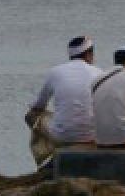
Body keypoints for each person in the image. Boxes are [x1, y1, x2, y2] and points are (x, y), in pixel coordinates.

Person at [25, 36, 103, 165]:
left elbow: (38, 106)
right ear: (89, 54)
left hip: (63, 137)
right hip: (93, 136)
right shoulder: (99, 72)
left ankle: (46, 156)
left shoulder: (55, 72)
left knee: (33, 116)